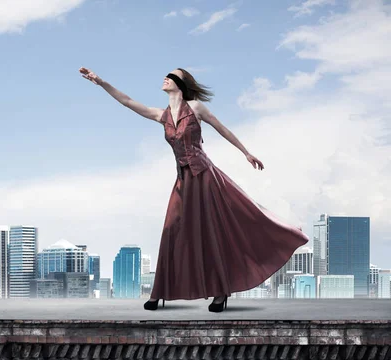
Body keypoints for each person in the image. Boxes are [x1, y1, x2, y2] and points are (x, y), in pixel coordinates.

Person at [79, 67, 309, 312]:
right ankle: (159, 292)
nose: (166, 78)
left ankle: (221, 293)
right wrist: (101, 82)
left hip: (205, 178)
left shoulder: (196, 108)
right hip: (183, 181)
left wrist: (246, 152)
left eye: (172, 76)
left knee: (213, 232)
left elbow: (222, 129)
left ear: (181, 83)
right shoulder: (162, 115)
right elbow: (127, 101)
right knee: (171, 232)